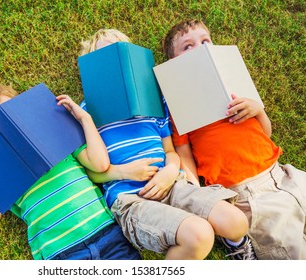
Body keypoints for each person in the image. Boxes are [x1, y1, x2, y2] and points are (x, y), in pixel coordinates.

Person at [78, 29, 256, 260]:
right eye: (105, 53)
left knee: (236, 222)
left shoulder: (152, 99)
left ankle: (237, 245)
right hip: (131, 198)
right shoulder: (87, 111)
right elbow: (88, 172)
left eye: (119, 49)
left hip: (173, 185)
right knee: (199, 235)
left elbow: (170, 151)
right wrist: (122, 172)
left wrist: (171, 171)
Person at [162, 19, 306, 260]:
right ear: (173, 64)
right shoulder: (180, 104)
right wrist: (196, 194)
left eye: (205, 41)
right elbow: (184, 152)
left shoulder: (233, 84)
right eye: (188, 46)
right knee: (292, 253)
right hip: (249, 194)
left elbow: (264, 133)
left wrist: (258, 109)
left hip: (284, 174)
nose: (200, 48)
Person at [0, 84, 142, 260]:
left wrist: (85, 119)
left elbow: (100, 164)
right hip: (61, 253)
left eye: (8, 111)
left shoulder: (56, 132)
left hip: (107, 233)